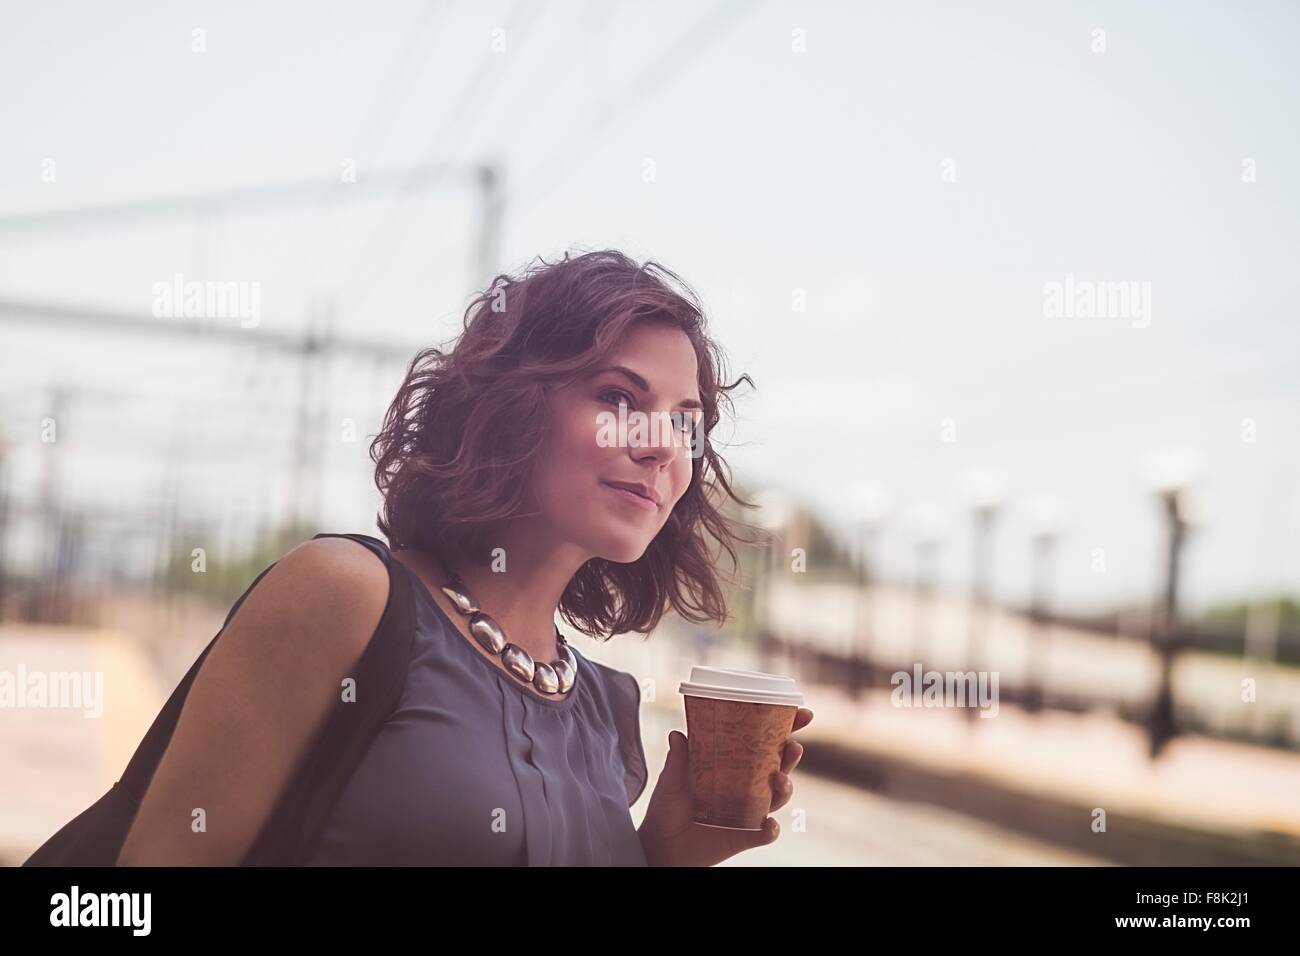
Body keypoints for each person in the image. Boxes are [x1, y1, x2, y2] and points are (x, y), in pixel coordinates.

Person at [115, 248, 813, 866]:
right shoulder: (345, 596)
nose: (663, 444)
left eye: (685, 422)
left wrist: (663, 860)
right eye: (618, 398)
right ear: (513, 407)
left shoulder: (607, 708)